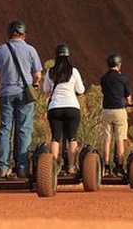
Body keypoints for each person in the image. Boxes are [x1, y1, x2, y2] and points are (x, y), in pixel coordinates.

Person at [0, 20, 43, 178]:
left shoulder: (0, 50)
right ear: (24, 35)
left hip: (6, 93)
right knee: (24, 129)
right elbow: (37, 75)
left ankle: (3, 167)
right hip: (24, 94)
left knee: (5, 129)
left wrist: (4, 82)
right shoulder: (31, 50)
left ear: (9, 34)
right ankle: (22, 167)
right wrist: (35, 82)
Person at [41, 44, 85, 174]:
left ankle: (53, 168)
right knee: (72, 138)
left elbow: (45, 89)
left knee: (55, 138)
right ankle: (71, 167)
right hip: (72, 107)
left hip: (55, 108)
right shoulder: (74, 71)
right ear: (68, 56)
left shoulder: (51, 71)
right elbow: (81, 90)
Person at [100, 52, 132, 175]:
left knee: (106, 140)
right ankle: (119, 168)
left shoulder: (103, 78)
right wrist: (129, 103)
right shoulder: (123, 78)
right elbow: (128, 96)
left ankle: (106, 167)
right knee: (120, 140)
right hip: (119, 110)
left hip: (106, 110)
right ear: (119, 65)